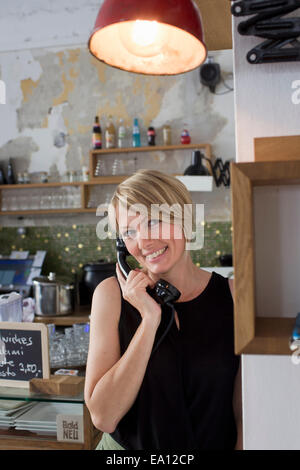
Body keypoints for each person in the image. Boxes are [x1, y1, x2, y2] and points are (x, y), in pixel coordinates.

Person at [84, 169, 242, 450]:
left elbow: (243, 414)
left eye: (154, 222)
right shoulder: (110, 295)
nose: (144, 242)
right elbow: (103, 417)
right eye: (130, 232)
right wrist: (149, 319)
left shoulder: (233, 296)